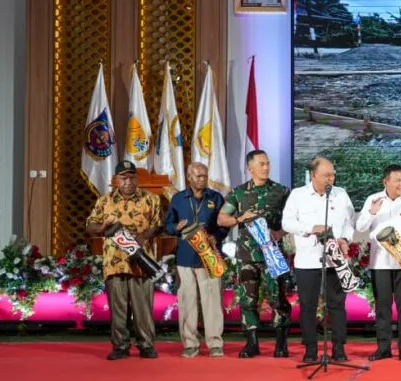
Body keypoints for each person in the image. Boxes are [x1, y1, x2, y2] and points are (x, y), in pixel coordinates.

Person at [85, 160, 163, 360]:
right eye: (123, 178)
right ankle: (120, 346)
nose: (128, 181)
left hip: (141, 262)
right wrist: (101, 228)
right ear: (116, 180)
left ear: (136, 179)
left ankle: (146, 345)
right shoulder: (105, 201)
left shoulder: (151, 199)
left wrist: (144, 235)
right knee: (118, 308)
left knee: (143, 308)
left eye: (131, 177)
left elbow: (158, 225)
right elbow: (90, 225)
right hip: (115, 262)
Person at [218, 149, 292, 358]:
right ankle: (251, 343)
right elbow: (221, 218)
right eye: (261, 164)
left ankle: (281, 343)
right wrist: (239, 219)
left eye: (267, 163)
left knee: (277, 298)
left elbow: (293, 219)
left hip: (272, 256)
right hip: (247, 256)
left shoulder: (281, 191)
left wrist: (280, 232)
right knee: (247, 299)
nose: (266, 167)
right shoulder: (239, 193)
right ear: (250, 167)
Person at [282, 156, 356, 363]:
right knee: (308, 305)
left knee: (337, 304)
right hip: (308, 259)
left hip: (335, 260)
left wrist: (345, 239)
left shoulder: (341, 194)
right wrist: (309, 228)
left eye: (332, 175)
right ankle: (311, 349)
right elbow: (287, 222)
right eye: (326, 175)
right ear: (314, 175)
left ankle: (339, 348)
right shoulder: (298, 195)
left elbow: (350, 222)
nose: (331, 179)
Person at [356, 164, 401, 361]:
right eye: (398, 180)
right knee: (382, 306)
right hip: (380, 263)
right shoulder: (373, 200)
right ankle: (383, 347)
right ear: (385, 181)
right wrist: (371, 212)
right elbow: (360, 227)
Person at [162, 162, 227, 358]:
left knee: (212, 301)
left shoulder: (216, 198)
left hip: (209, 256)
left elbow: (224, 225)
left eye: (205, 176)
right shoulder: (178, 199)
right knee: (187, 302)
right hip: (185, 257)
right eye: (198, 176)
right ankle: (190, 343)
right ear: (189, 177)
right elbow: (168, 224)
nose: (202, 179)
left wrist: (217, 236)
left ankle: (215, 342)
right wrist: (176, 228)